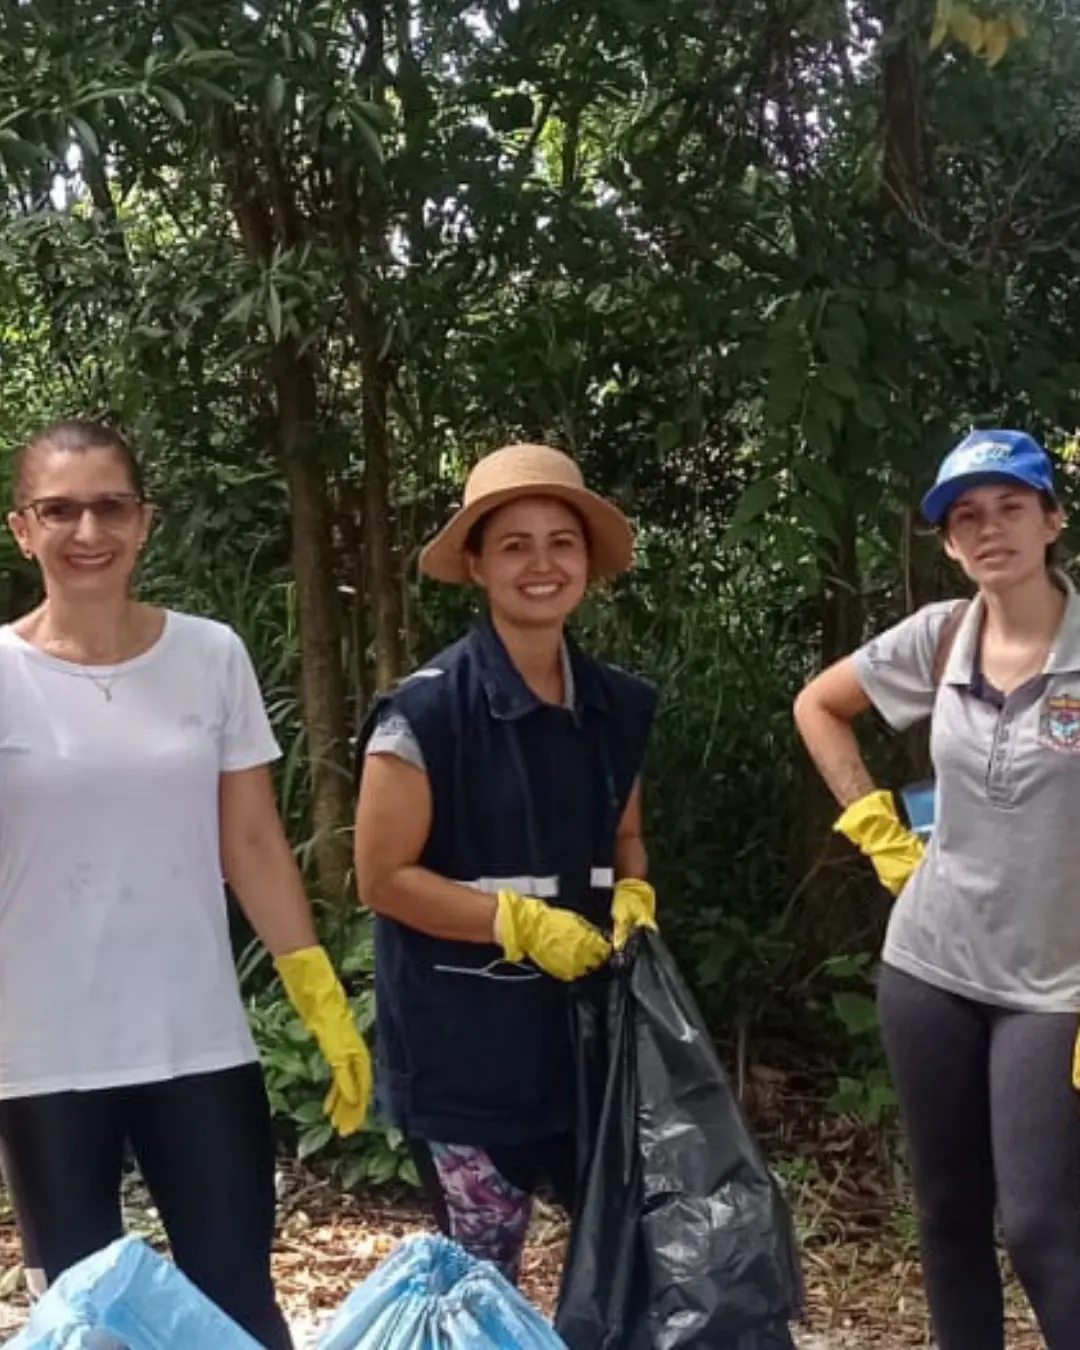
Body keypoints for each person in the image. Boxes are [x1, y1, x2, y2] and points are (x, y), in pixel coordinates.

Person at [0, 419, 372, 1349]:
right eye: (60, 510)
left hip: (198, 1042)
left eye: (110, 506)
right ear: (22, 528)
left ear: (145, 520)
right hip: (46, 1056)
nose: (88, 531)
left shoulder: (210, 655)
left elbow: (250, 839)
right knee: (83, 1324)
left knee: (237, 1306)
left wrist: (316, 991)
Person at [793, 428, 1080, 1350]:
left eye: (1008, 507)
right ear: (950, 544)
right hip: (929, 966)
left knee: (1041, 1227)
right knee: (950, 1215)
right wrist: (876, 829)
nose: (989, 529)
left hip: (1056, 986)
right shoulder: (941, 636)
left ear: (1051, 519)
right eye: (966, 517)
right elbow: (818, 706)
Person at [352, 443, 658, 1283]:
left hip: (591, 1041)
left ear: (588, 563)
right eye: (514, 544)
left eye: (561, 541)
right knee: (482, 1277)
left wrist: (634, 891)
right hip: (464, 1050)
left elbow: (624, 837)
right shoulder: (426, 711)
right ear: (478, 565)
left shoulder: (618, 706)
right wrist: (513, 922)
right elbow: (381, 877)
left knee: (629, 1262)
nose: (541, 563)